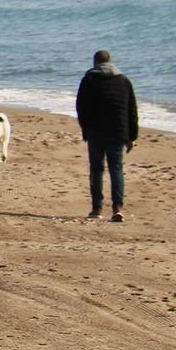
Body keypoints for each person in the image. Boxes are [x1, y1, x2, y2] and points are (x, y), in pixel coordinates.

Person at [75, 50, 138, 222]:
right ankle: (118, 207)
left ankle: (97, 208)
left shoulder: (88, 80)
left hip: (96, 131)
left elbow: (81, 107)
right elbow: (131, 110)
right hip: (118, 132)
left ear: (95, 63)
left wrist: (85, 129)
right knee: (116, 168)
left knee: (96, 169)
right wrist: (132, 136)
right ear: (111, 62)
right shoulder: (123, 81)